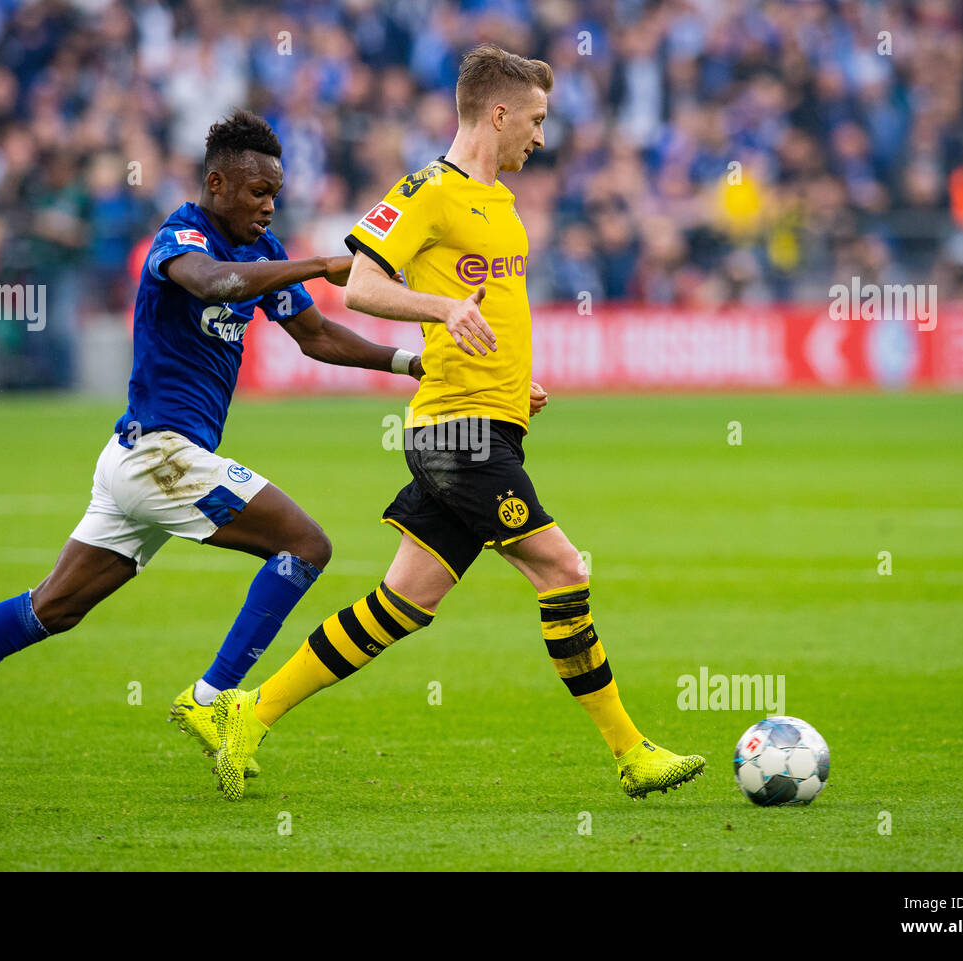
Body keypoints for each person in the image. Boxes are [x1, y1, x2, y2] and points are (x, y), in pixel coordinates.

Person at [0, 110, 423, 782]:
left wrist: (404, 364)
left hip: (143, 462)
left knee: (53, 607)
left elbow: (318, 336)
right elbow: (214, 284)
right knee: (306, 546)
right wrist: (323, 261)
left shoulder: (259, 254)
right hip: (161, 453)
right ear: (217, 183)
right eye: (255, 192)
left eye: (275, 194)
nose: (268, 205)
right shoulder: (179, 237)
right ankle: (212, 699)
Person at [210, 46, 706, 801]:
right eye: (535, 119)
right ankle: (631, 751)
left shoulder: (501, 203)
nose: (541, 136)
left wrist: (512, 386)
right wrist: (440, 310)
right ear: (497, 113)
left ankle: (250, 710)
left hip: (490, 420)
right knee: (564, 568)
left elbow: (488, 308)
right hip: (455, 434)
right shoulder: (425, 192)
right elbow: (364, 286)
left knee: (405, 599)